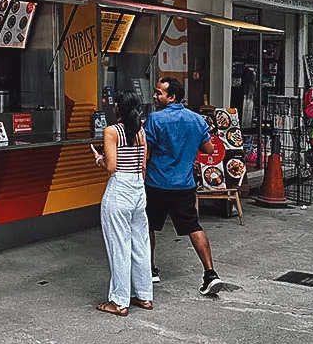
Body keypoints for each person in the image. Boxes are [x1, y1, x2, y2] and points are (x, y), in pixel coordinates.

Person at [145, 76, 222, 296]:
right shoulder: (197, 120)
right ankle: (210, 274)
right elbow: (208, 149)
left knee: (149, 227)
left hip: (157, 183)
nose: (155, 95)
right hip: (184, 184)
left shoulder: (154, 119)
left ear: (172, 97)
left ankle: (149, 270)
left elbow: (146, 150)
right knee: (193, 227)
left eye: (159, 92)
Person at [93, 90, 154, 317]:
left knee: (118, 245)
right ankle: (144, 295)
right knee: (140, 244)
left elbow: (111, 166)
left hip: (119, 189)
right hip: (138, 188)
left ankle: (119, 301)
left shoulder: (111, 131)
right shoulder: (141, 131)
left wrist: (98, 158)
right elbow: (144, 165)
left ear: (118, 107)